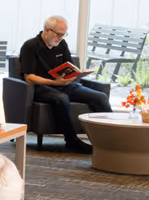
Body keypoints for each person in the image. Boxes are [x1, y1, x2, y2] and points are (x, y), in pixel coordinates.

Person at [18, 15, 111, 154]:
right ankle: (71, 141)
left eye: (63, 35)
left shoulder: (61, 44)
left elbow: (70, 67)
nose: (61, 38)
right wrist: (53, 82)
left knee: (100, 97)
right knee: (61, 98)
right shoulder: (30, 46)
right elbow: (29, 77)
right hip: (41, 88)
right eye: (59, 34)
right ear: (47, 30)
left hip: (65, 85)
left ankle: (112, 139)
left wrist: (76, 75)